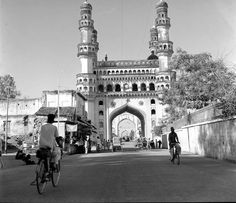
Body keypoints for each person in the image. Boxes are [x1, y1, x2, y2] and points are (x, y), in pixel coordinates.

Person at [38, 114, 59, 178]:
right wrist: (59, 145)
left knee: (43, 156)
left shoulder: (42, 127)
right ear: (53, 120)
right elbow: (57, 137)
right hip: (49, 146)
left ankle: (43, 167)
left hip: (41, 145)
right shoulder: (54, 127)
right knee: (55, 153)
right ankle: (51, 168)